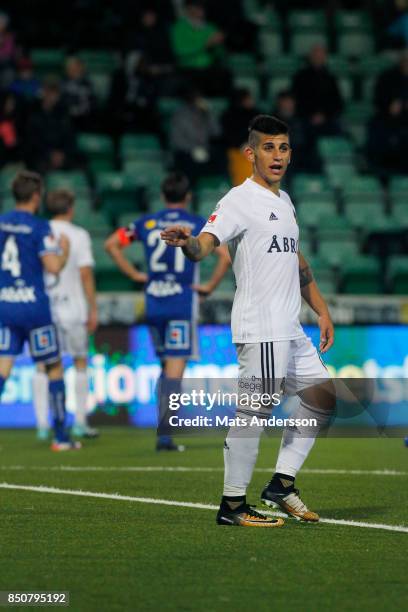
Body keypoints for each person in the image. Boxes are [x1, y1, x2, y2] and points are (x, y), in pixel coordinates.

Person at [161, 115, 335, 526]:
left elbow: (296, 260)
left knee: (322, 397)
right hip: (261, 329)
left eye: (284, 147)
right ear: (250, 154)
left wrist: (322, 310)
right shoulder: (238, 200)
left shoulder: (285, 201)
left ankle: (281, 485)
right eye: (269, 147)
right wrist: (188, 243)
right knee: (253, 413)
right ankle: (232, 505)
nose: (277, 155)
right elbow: (207, 243)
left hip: (289, 329)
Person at [105, 172, 230, 451]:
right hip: (180, 303)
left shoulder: (146, 223)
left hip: (153, 303)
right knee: (175, 370)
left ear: (163, 196)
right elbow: (225, 256)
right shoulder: (198, 224)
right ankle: (165, 435)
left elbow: (111, 244)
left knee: (165, 368)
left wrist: (135, 274)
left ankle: (163, 427)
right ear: (187, 197)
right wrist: (209, 286)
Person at [0, 171, 80, 451]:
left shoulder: (1, 223)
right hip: (34, 308)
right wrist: (65, 252)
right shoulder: (39, 227)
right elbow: (54, 267)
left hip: (6, 306)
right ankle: (60, 437)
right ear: (36, 196)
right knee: (54, 366)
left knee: (3, 367)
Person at [32, 188, 99, 440]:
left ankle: (41, 425)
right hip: (73, 307)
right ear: (71, 208)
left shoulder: (39, 230)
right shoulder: (79, 235)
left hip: (45, 307)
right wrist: (93, 308)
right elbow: (85, 274)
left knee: (42, 364)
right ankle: (80, 422)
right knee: (80, 361)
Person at [292, 44, 343, 137]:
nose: (318, 58)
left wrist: (324, 115)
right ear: (310, 57)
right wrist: (311, 115)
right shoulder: (300, 77)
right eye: (315, 55)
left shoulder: (331, 78)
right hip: (305, 117)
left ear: (325, 57)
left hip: (327, 118)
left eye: (321, 56)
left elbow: (337, 101)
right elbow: (297, 99)